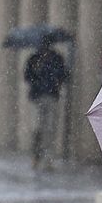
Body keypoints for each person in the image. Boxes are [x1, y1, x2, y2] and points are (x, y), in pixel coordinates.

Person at [23, 39, 69, 170]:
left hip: (51, 97)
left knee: (49, 129)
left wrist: (55, 80)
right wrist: (36, 71)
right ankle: (36, 156)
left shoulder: (56, 59)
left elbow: (62, 75)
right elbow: (27, 76)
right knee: (36, 129)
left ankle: (48, 159)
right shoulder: (33, 59)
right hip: (36, 97)